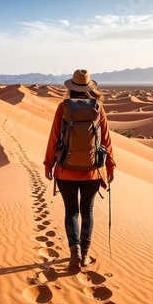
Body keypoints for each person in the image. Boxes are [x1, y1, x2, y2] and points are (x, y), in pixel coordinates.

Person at [44, 69, 115, 271]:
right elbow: (107, 140)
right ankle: (84, 254)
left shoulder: (63, 108)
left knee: (72, 212)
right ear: (89, 88)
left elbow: (54, 138)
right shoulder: (98, 108)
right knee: (88, 211)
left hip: (66, 169)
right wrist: (110, 166)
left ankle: (74, 250)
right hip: (92, 170)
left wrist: (48, 164)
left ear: (71, 88)